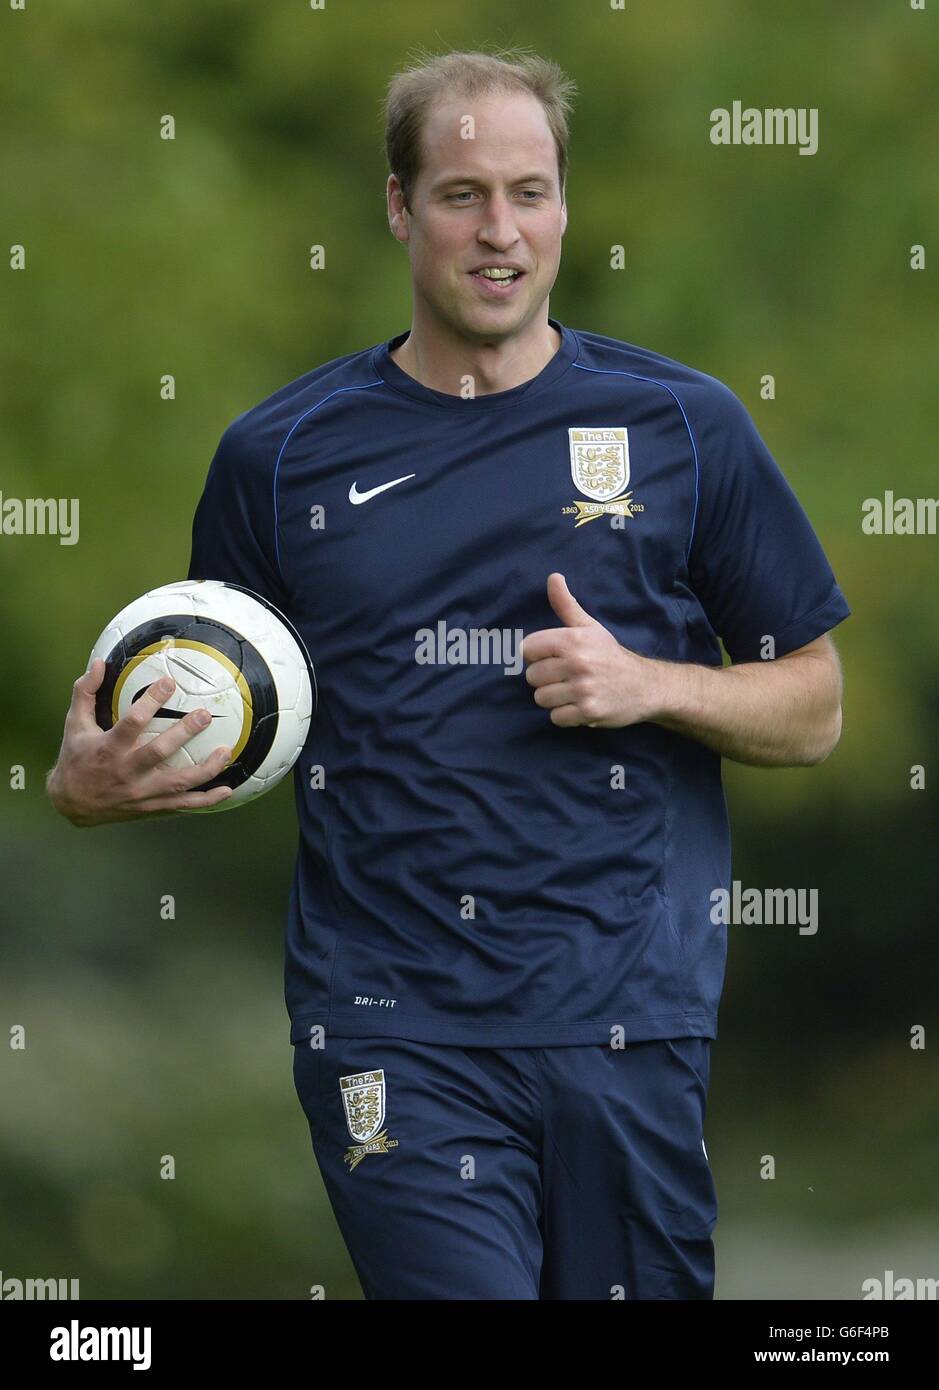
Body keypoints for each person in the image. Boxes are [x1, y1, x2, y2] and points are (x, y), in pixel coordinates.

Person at [47, 48, 850, 1300]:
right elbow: (215, 707)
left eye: (530, 192)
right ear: (397, 207)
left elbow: (815, 704)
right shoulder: (277, 458)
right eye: (463, 193)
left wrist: (655, 684)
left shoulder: (683, 428)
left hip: (626, 1016)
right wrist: (92, 788)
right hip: (389, 1020)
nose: (501, 231)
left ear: (566, 210)